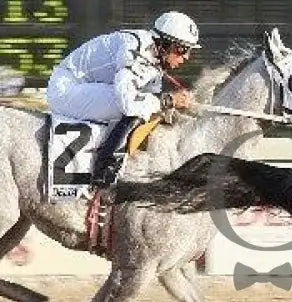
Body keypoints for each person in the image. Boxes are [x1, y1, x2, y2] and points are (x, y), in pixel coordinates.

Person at [46, 11, 200, 187]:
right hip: (65, 89)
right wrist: (169, 100)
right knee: (134, 106)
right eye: (182, 49)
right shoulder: (136, 47)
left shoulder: (155, 60)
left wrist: (170, 105)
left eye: (188, 51)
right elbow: (129, 103)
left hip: (86, 87)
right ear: (164, 43)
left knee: (146, 107)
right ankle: (104, 172)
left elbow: (152, 101)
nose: (186, 57)